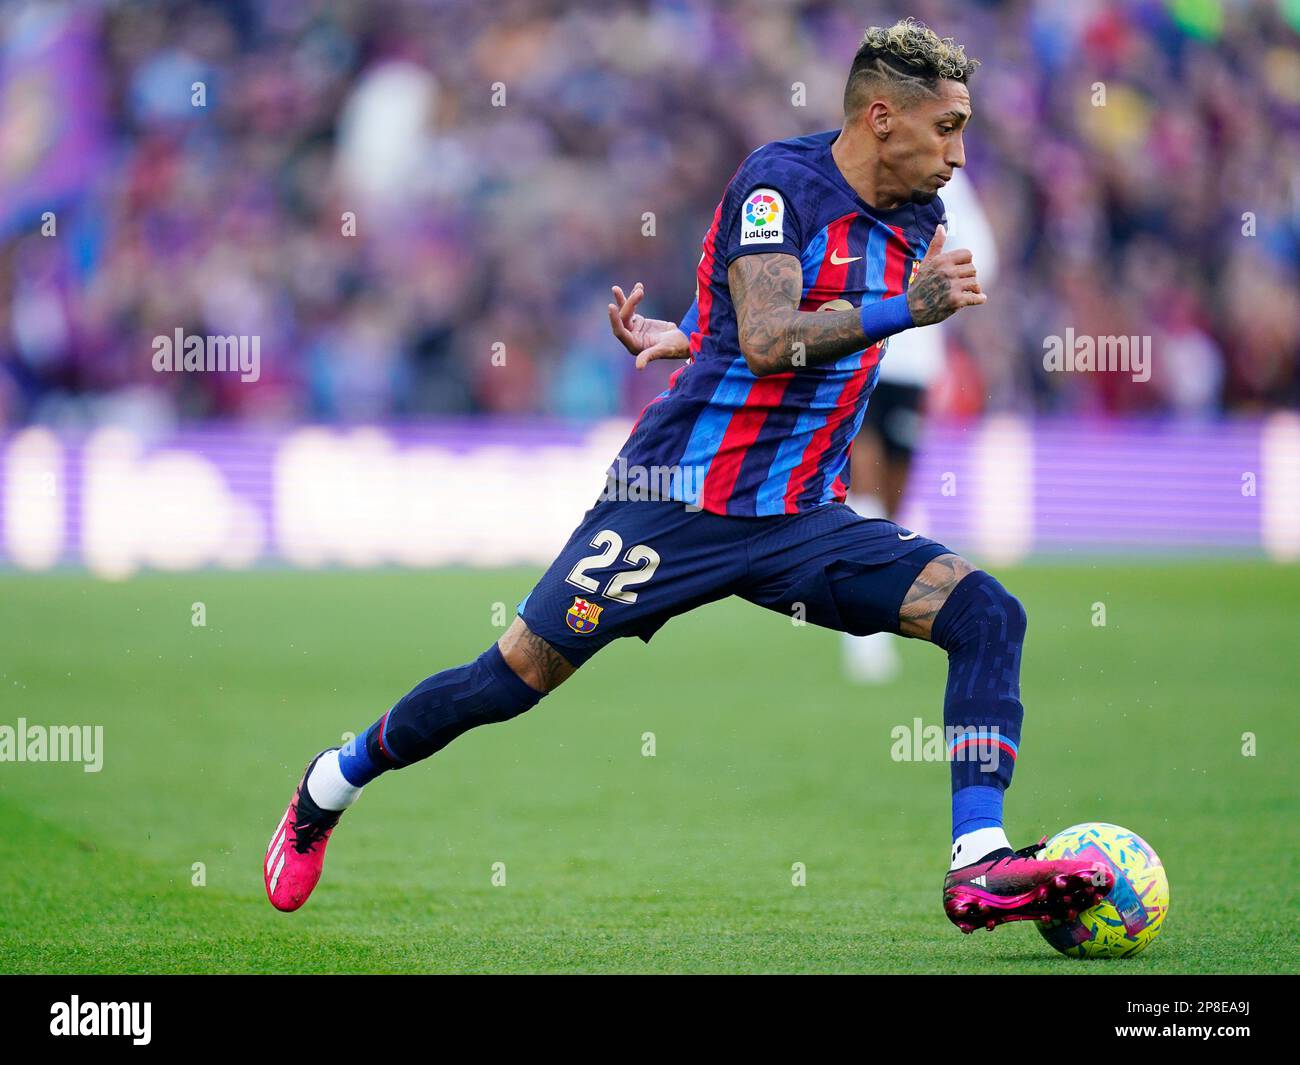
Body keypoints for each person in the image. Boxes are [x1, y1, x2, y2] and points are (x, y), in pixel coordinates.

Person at [264, 19, 1113, 934]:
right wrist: (898, 310)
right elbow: (768, 336)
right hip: (672, 503)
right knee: (508, 681)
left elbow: (753, 322)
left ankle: (978, 859)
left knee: (987, 610)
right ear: (881, 118)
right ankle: (330, 783)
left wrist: (691, 332)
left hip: (800, 519)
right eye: (947, 127)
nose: (958, 152)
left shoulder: (921, 218)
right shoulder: (780, 183)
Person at [840, 166, 999, 683]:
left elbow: (984, 258)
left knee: (893, 498)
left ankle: (876, 604)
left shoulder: (945, 181)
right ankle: (862, 634)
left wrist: (939, 284)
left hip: (912, 357)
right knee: (860, 476)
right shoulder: (851, 169)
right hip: (855, 346)